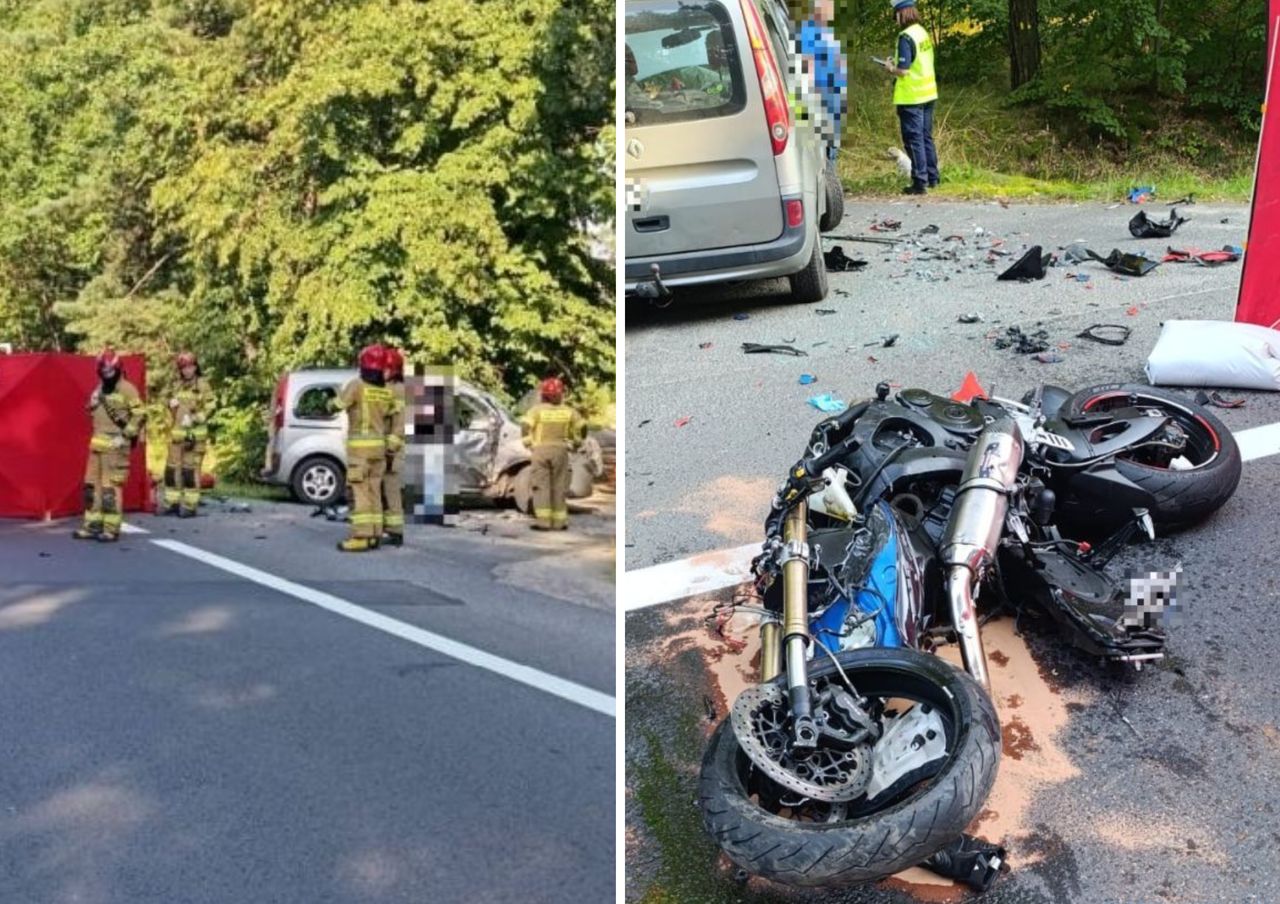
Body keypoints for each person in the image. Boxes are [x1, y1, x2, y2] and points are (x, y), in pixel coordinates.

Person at [74, 348, 145, 542]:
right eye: (103, 372)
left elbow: (140, 415)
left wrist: (125, 436)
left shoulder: (127, 388)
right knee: (91, 487)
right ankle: (92, 526)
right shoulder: (99, 388)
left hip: (115, 447)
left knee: (109, 490)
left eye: (110, 371)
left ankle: (111, 529)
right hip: (97, 445)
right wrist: (92, 404)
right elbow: (93, 413)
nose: (107, 375)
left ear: (118, 368)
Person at [330, 345, 396, 552]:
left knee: (360, 492)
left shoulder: (357, 385)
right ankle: (375, 534)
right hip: (379, 450)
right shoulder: (385, 391)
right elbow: (390, 416)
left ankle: (361, 536)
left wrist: (330, 400)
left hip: (360, 451)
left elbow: (338, 405)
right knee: (375, 491)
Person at [882, 0, 938, 194]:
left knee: (913, 140)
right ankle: (932, 177)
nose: (895, 19)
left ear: (901, 14)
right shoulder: (922, 32)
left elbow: (904, 70)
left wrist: (890, 68)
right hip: (929, 93)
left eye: (895, 15)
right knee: (925, 137)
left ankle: (919, 182)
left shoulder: (905, 37)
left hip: (912, 97)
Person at [520, 376, 585, 531]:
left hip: (540, 451)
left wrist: (528, 443)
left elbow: (524, 425)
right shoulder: (569, 412)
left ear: (543, 395)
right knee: (559, 486)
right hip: (561, 451)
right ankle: (559, 523)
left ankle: (543, 523)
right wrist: (576, 443)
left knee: (541, 486)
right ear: (561, 393)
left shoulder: (536, 411)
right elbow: (582, 427)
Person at [163, 351, 214, 517]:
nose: (187, 370)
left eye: (190, 367)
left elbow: (211, 407)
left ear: (196, 366)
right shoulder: (177, 385)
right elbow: (167, 403)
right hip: (177, 437)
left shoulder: (203, 385)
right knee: (172, 471)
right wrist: (169, 403)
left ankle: (190, 506)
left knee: (190, 473)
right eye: (183, 367)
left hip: (194, 438)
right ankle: (173, 503)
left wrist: (194, 418)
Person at [799, 0, 848, 163]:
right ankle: (828, 179)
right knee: (824, 144)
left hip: (834, 94)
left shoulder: (827, 30)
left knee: (833, 143)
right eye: (828, 5)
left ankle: (832, 176)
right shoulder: (809, 30)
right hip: (822, 95)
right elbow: (807, 64)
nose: (831, 9)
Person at [380, 346, 407, 547]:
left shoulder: (397, 391)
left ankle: (395, 532)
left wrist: (390, 450)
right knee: (384, 491)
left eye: (385, 368)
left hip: (393, 451)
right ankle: (386, 529)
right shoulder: (389, 389)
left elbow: (399, 425)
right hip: (385, 449)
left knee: (391, 491)